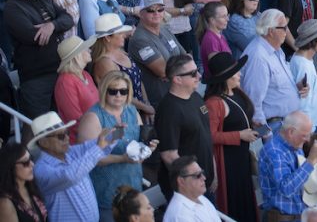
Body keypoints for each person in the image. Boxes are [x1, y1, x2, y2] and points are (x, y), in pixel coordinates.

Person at [5, 0, 75, 118]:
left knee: (61, 124)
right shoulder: (12, 7)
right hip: (36, 76)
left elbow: (69, 19)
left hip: (57, 69)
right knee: (38, 128)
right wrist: (58, 25)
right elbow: (34, 37)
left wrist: (51, 26)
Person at [77, 70, 149, 222]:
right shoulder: (93, 117)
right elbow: (89, 159)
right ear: (104, 91)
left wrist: (147, 149)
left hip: (133, 184)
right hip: (107, 190)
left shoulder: (131, 110)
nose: (118, 95)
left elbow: (137, 141)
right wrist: (123, 158)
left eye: (123, 91)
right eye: (113, 91)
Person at [30, 110, 118, 220]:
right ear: (43, 142)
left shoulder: (70, 152)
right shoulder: (41, 169)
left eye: (67, 133)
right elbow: (70, 176)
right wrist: (98, 148)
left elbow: (99, 144)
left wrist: (116, 132)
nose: (67, 138)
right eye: (61, 136)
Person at [203, 52, 259, 221]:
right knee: (234, 201)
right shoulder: (213, 102)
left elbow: (242, 115)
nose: (240, 74)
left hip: (241, 158)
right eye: (236, 72)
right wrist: (239, 135)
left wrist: (252, 125)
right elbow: (210, 136)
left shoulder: (236, 92)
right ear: (225, 76)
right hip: (227, 161)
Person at [154, 54, 215, 199]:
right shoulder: (169, 109)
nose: (199, 76)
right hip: (188, 189)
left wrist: (214, 174)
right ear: (177, 79)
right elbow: (169, 155)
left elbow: (206, 136)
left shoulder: (195, 96)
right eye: (193, 73)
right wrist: (192, 183)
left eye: (197, 71)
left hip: (204, 181)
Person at [242, 9, 303, 126]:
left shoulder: (277, 49)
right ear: (270, 31)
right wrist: (267, 135)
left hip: (287, 122)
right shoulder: (258, 57)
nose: (287, 31)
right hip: (276, 125)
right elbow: (253, 101)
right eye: (284, 27)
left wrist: (296, 88)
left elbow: (275, 85)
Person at [126, 0, 184, 106]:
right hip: (161, 100)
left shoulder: (164, 30)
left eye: (160, 9)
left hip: (177, 92)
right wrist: (183, 68)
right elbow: (162, 71)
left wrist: (173, 70)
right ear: (141, 13)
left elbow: (186, 55)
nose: (156, 13)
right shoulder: (139, 39)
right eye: (151, 10)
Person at [290, 19, 317, 133]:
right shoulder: (302, 65)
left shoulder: (305, 60)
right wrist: (309, 131)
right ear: (313, 41)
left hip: (316, 123)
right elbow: (303, 101)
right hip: (313, 127)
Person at [0, 140, 48, 222]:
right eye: (26, 162)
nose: (32, 164)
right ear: (11, 167)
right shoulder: (5, 203)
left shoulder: (31, 187)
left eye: (31, 158)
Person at [163, 155, 220, 222]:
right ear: (181, 181)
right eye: (198, 175)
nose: (204, 178)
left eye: (202, 173)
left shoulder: (199, 197)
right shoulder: (180, 216)